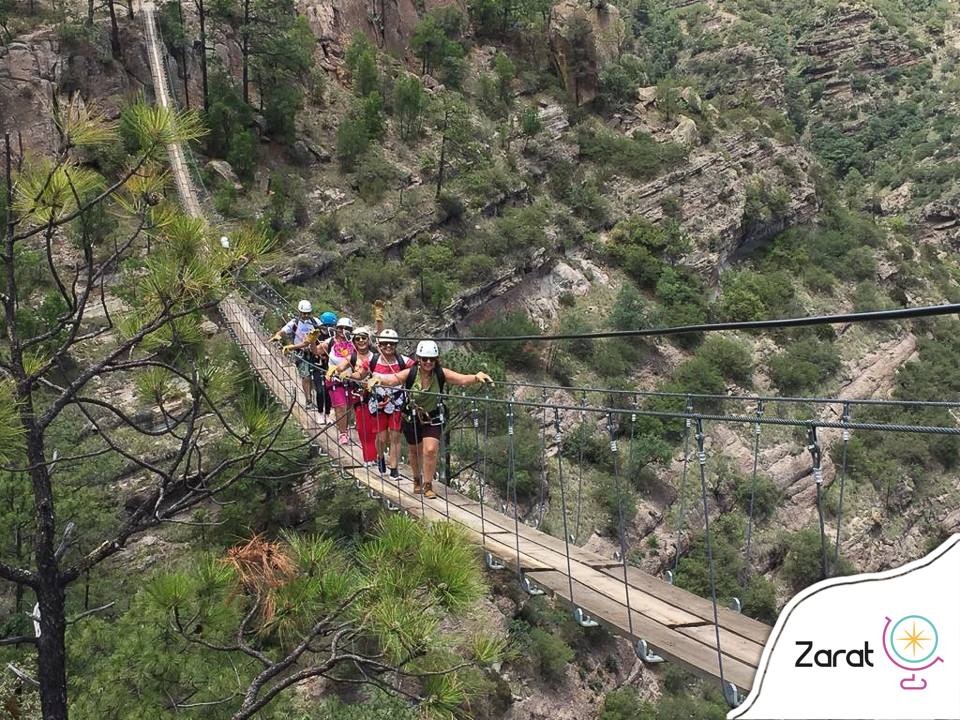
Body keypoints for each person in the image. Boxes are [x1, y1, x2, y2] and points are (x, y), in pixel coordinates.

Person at [369, 340, 492, 499]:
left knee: (430, 450)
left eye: (432, 359)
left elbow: (461, 379)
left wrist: (476, 377)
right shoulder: (411, 373)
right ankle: (416, 479)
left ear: (436, 359)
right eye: (425, 359)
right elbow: (393, 380)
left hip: (432, 417)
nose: (428, 362)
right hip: (411, 416)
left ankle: (428, 485)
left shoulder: (441, 373)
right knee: (414, 451)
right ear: (419, 359)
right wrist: (378, 379)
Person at [367, 329, 413, 478]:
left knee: (395, 437)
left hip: (396, 402)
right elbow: (359, 372)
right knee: (381, 438)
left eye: (392, 343)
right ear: (379, 344)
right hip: (378, 403)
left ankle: (394, 469)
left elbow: (418, 369)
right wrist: (347, 374)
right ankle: (380, 456)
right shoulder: (372, 360)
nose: (388, 346)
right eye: (385, 343)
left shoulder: (404, 361)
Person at [330, 326, 378, 463]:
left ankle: (378, 459)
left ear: (369, 340)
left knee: (378, 431)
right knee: (364, 429)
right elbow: (340, 367)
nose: (361, 341)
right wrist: (338, 371)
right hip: (360, 396)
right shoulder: (352, 357)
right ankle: (369, 459)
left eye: (364, 338)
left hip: (378, 396)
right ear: (354, 342)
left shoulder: (376, 356)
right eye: (358, 339)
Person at [270, 300, 320, 409]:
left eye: (308, 313)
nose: (305, 316)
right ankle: (308, 400)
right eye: (303, 313)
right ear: (299, 312)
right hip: (300, 353)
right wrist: (278, 335)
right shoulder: (295, 322)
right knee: (305, 376)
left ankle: (313, 397)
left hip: (314, 352)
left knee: (313, 377)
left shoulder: (315, 321)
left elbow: (324, 331)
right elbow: (283, 330)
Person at [321, 317, 356, 444]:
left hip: (352, 379)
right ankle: (343, 433)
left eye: (346, 328)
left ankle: (344, 427)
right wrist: (312, 341)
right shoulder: (330, 342)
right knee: (341, 406)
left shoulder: (356, 343)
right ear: (336, 329)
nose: (343, 330)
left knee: (349, 407)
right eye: (340, 328)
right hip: (334, 379)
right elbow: (316, 351)